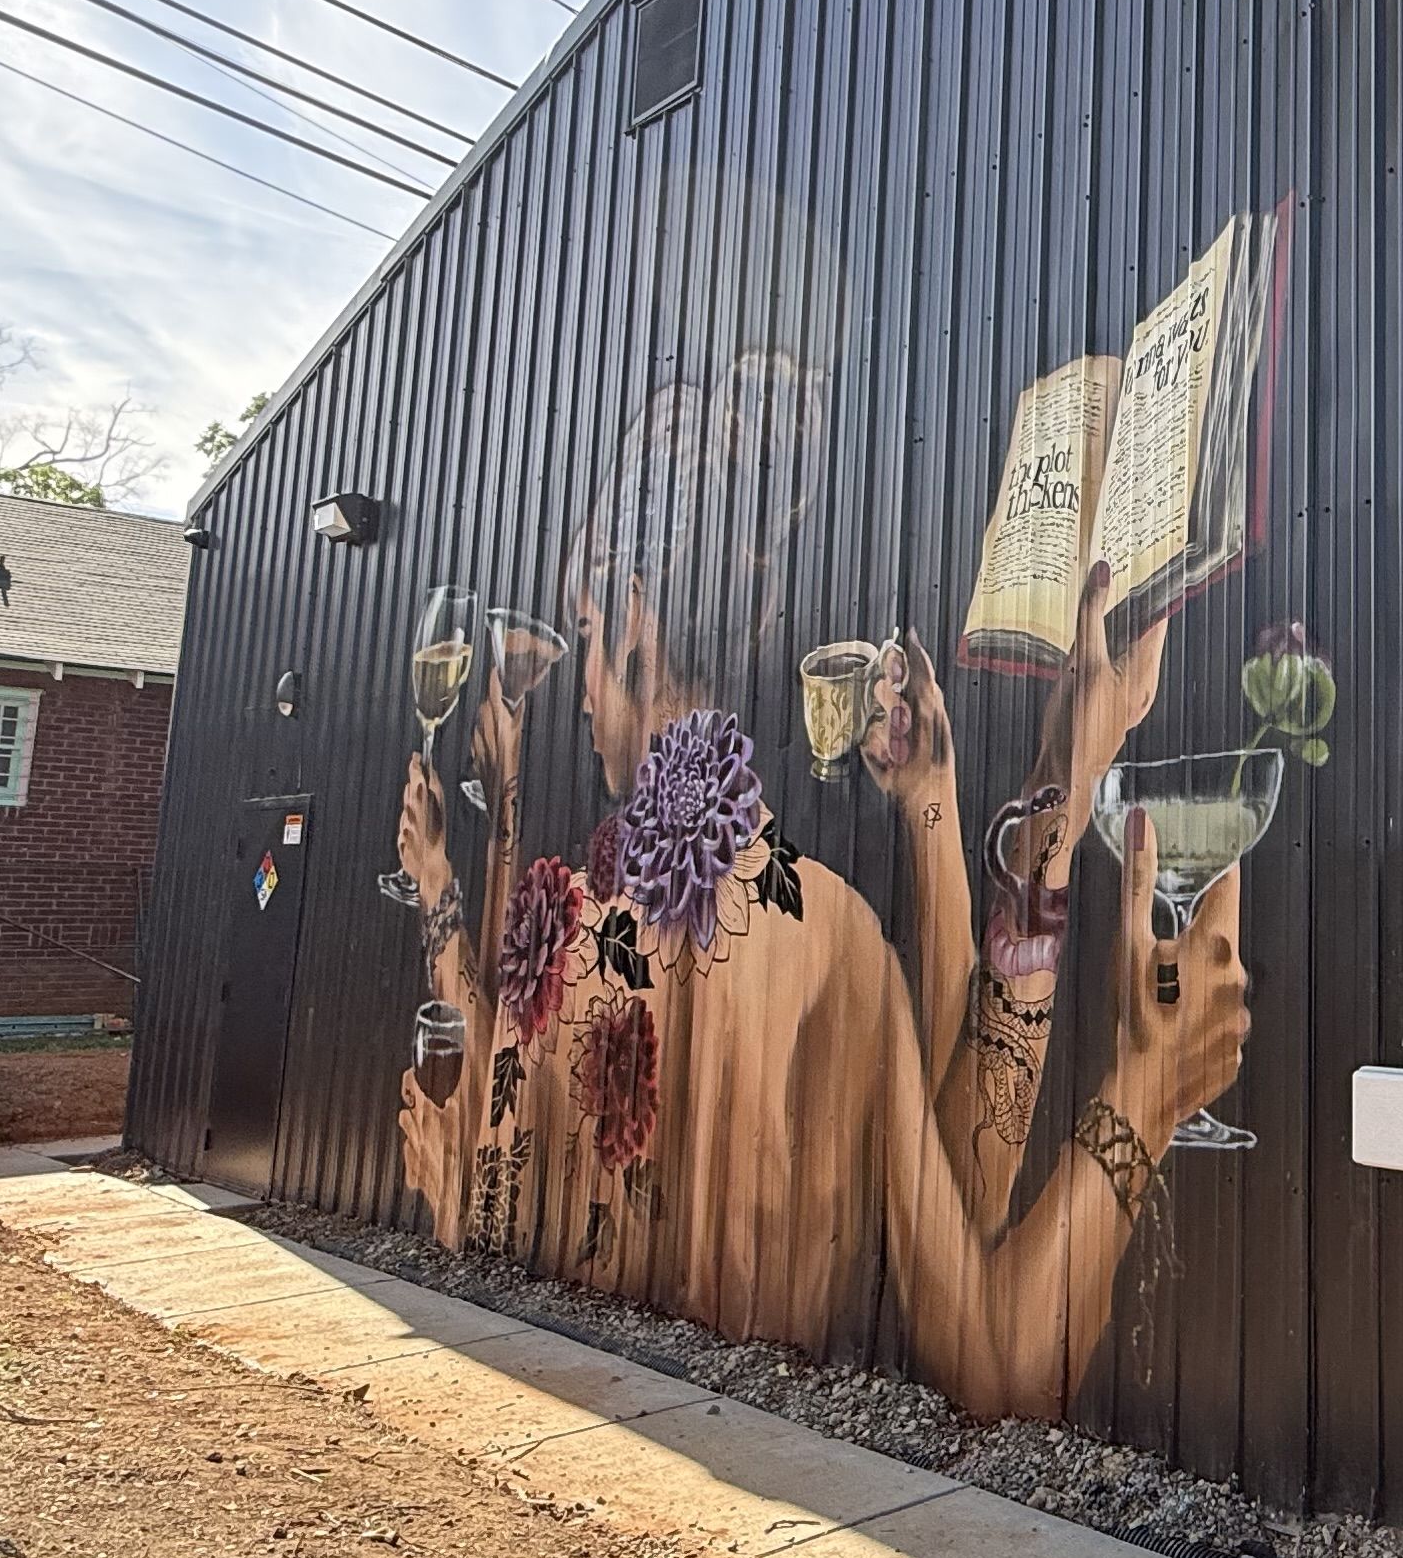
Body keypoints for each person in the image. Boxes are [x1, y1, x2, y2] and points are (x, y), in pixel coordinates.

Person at [390, 357, 1248, 1425]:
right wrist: (1144, 1099)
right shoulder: (823, 927)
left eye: (585, 633)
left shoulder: (564, 919)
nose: (578, 686)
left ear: (638, 625)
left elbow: (936, 1158)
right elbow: (994, 1359)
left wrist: (1034, 790)